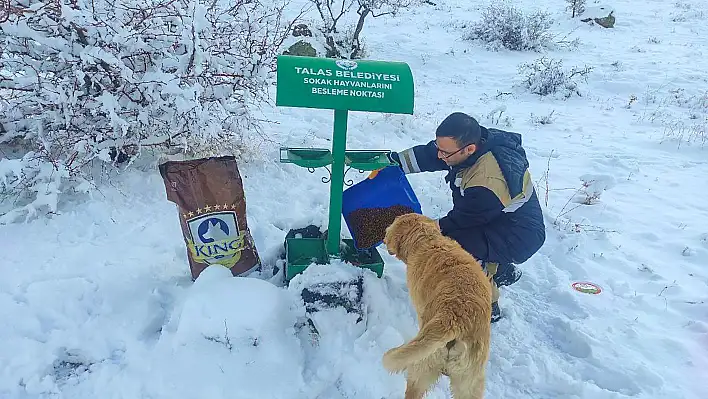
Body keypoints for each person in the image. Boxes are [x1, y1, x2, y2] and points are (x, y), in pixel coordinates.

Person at [382, 112, 546, 323]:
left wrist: (429, 228)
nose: (440, 156)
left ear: (469, 149)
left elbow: (463, 221)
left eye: (445, 152)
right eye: (439, 147)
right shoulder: (470, 146)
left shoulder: (487, 180)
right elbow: (429, 155)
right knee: (467, 237)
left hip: (520, 235)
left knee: (459, 248)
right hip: (499, 218)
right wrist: (393, 163)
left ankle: (487, 305)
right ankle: (503, 271)